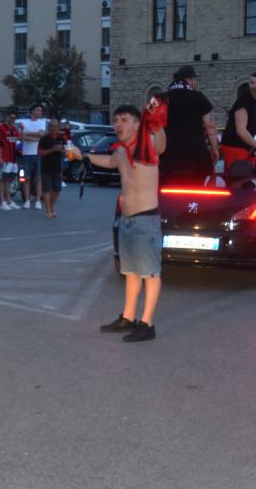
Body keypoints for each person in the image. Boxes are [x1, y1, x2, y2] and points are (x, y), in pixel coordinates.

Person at [71, 100, 167, 342]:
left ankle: (147, 324)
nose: (118, 124)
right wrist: (83, 156)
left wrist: (155, 122)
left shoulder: (148, 145)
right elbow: (110, 162)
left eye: (124, 120)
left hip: (146, 220)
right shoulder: (122, 150)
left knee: (150, 274)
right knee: (132, 273)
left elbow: (162, 144)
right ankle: (128, 317)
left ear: (137, 125)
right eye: (115, 120)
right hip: (126, 220)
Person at [159, 65, 218, 183]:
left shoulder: (160, 98)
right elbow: (210, 126)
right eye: (194, 80)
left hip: (168, 156)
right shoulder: (199, 97)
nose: (195, 83)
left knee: (168, 192)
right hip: (197, 155)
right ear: (189, 80)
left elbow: (147, 121)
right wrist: (215, 149)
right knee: (197, 191)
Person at [220, 72, 256, 169]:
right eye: (252, 82)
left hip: (246, 147)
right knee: (239, 180)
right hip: (233, 146)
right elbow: (241, 131)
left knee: (248, 180)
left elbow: (252, 122)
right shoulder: (243, 102)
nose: (254, 86)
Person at [20, 105, 46, 209]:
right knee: (27, 178)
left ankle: (38, 200)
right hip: (26, 154)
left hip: (38, 153)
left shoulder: (42, 122)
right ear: (32, 111)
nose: (40, 112)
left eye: (41, 110)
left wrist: (28, 134)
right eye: (38, 110)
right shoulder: (24, 122)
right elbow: (22, 137)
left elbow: (42, 135)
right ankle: (27, 200)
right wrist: (36, 137)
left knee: (38, 178)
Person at [38, 118, 65, 219]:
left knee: (57, 189)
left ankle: (51, 206)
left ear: (58, 127)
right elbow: (40, 153)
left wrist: (64, 151)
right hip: (46, 167)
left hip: (57, 167)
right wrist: (52, 149)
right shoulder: (44, 139)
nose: (52, 128)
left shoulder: (62, 139)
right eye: (50, 126)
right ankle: (48, 211)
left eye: (54, 126)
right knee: (46, 189)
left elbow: (68, 151)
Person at [0, 108, 22, 211]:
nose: (12, 119)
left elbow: (20, 139)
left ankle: (9, 200)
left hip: (13, 159)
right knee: (2, 180)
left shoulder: (14, 129)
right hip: (5, 158)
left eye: (14, 118)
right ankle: (2, 201)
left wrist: (22, 130)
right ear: (6, 116)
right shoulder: (1, 128)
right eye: (10, 117)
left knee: (9, 180)